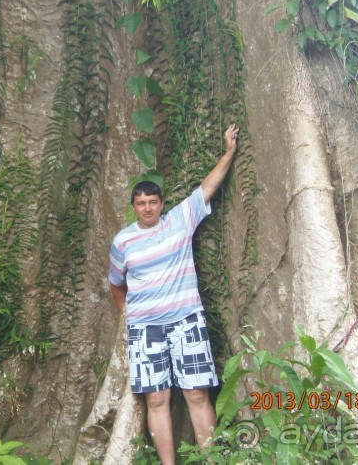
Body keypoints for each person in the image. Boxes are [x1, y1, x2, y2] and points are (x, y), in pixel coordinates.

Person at [109, 124, 239, 465]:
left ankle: (211, 459)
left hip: (187, 322)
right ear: (134, 207)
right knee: (156, 399)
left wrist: (229, 152)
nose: (148, 208)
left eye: (153, 202)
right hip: (145, 329)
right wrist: (130, 316)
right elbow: (115, 284)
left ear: (161, 204)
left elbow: (208, 187)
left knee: (197, 393)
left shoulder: (179, 220)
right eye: (141, 203)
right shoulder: (122, 241)